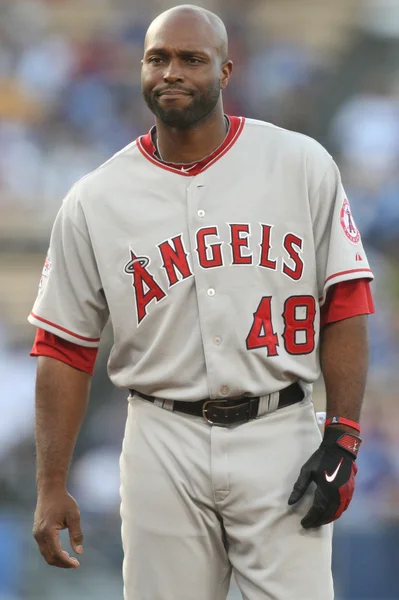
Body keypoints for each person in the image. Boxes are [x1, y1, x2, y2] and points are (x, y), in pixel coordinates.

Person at [29, 5, 375, 600]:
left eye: (192, 59)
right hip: (161, 437)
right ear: (140, 68)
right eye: (157, 58)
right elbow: (62, 346)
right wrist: (50, 484)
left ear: (226, 70)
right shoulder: (95, 198)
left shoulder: (300, 163)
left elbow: (344, 301)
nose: (172, 72)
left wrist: (342, 433)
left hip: (280, 430)